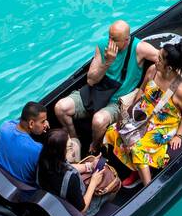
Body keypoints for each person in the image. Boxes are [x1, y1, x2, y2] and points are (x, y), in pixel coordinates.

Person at [55, 21, 159, 154]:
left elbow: (166, 60)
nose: (110, 42)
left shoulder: (139, 48)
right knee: (60, 108)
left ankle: (95, 146)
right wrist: (108, 62)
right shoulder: (103, 45)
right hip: (96, 91)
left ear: (126, 40)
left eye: (114, 40)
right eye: (109, 37)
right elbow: (91, 80)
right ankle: (75, 139)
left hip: (117, 102)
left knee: (98, 121)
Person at [103, 41, 182, 188]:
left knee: (137, 148)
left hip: (163, 124)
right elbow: (142, 89)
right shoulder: (153, 70)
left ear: (169, 68)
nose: (155, 60)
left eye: (159, 58)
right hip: (143, 115)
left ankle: (148, 187)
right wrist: (131, 110)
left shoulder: (181, 90)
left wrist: (179, 135)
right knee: (113, 131)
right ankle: (135, 168)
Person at [36, 129, 105, 214]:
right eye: (69, 147)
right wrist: (93, 183)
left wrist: (89, 166)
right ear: (60, 152)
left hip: (55, 203)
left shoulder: (43, 161)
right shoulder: (71, 178)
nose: (72, 148)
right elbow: (82, 210)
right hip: (78, 213)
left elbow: (66, 166)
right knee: (113, 184)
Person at [0, 101, 49, 189]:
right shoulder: (38, 149)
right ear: (31, 124)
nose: (45, 124)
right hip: (24, 191)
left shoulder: (5, 126)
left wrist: (41, 124)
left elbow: (17, 123)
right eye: (42, 122)